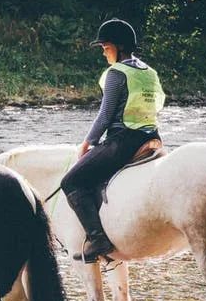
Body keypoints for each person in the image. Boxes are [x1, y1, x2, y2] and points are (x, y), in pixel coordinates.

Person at [61, 18, 166, 263]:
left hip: (124, 140)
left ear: (118, 47)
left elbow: (105, 114)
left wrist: (88, 142)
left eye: (105, 47)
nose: (103, 51)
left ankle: (97, 238)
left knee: (71, 181)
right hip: (152, 137)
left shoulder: (116, 73)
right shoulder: (149, 72)